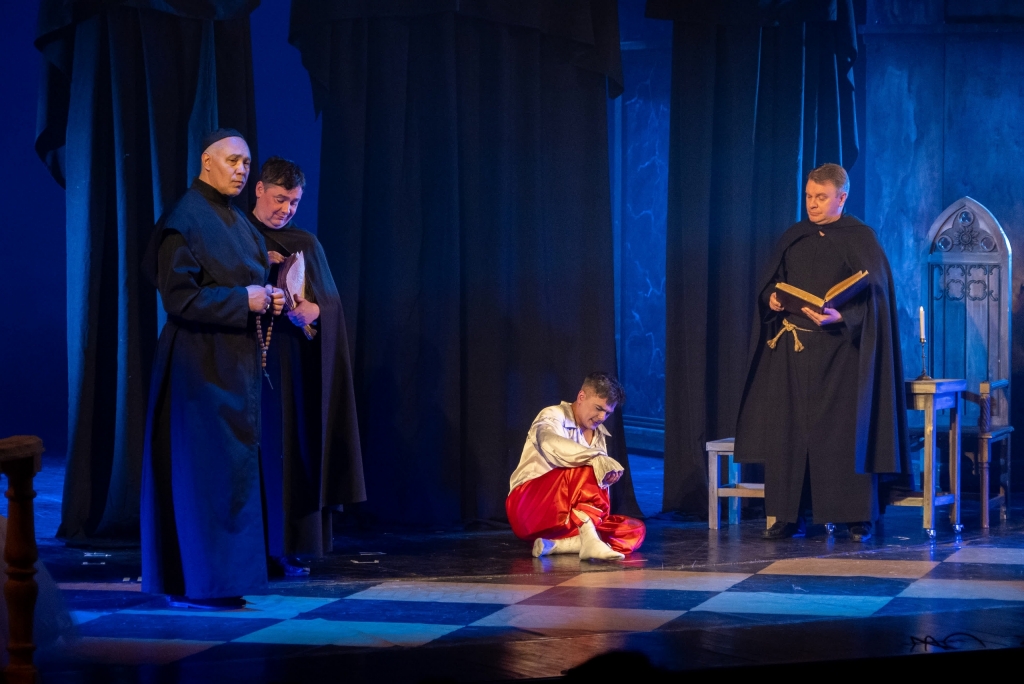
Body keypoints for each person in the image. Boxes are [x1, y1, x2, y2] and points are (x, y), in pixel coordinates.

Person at [141, 129, 284, 609]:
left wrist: (268, 296)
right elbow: (179, 297)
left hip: (232, 361)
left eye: (246, 163)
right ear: (207, 161)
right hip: (198, 365)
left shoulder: (235, 217)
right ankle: (201, 583)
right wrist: (244, 300)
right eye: (232, 161)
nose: (241, 170)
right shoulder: (185, 218)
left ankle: (225, 580)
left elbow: (247, 278)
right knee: (203, 473)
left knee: (231, 471)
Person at [734, 163, 909, 542]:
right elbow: (770, 284)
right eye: (809, 196)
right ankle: (787, 516)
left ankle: (856, 517)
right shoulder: (794, 236)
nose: (812, 204)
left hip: (842, 355)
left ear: (841, 198)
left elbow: (877, 300)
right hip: (793, 353)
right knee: (789, 435)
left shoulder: (861, 238)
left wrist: (842, 315)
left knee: (844, 435)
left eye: (821, 197)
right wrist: (773, 298)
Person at [248, 157, 366, 576]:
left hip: (292, 366)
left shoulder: (305, 242)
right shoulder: (238, 235)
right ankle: (249, 550)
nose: (286, 209)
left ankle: (288, 547)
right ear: (259, 190)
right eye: (280, 199)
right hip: (247, 361)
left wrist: (314, 310)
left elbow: (330, 304)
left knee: (290, 454)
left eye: (294, 202)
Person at [506, 373, 645, 561]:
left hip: (566, 519)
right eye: (598, 408)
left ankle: (560, 545)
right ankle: (589, 539)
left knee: (633, 529)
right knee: (587, 469)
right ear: (581, 397)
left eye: (607, 413)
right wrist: (594, 458)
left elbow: (595, 494)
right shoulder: (552, 415)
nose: (602, 417)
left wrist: (605, 479)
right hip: (528, 507)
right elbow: (549, 442)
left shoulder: (598, 435)